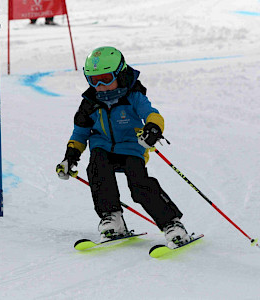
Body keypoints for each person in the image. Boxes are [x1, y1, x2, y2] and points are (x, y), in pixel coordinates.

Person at [56, 46, 191, 247]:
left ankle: (172, 224)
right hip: (102, 147)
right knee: (97, 170)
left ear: (120, 73)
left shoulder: (133, 96)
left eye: (106, 78)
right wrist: (70, 157)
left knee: (139, 184)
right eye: (94, 80)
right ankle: (112, 218)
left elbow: (152, 114)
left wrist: (152, 130)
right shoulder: (89, 103)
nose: (100, 86)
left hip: (131, 147)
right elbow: (80, 133)